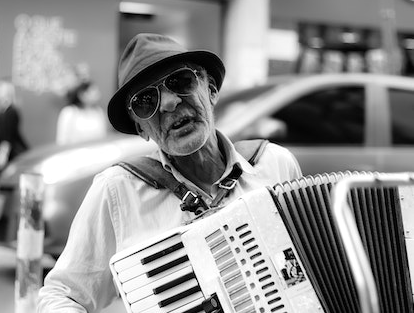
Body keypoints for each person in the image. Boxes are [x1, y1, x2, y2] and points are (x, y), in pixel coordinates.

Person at [37, 33, 302, 312]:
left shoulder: (276, 165)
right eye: (145, 101)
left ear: (210, 89)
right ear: (141, 128)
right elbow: (61, 294)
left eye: (180, 81)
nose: (168, 103)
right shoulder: (117, 191)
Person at [0, 78, 29, 183]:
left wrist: (2, 154)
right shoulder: (4, 111)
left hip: (7, 159)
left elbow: (7, 136)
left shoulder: (11, 112)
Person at [56, 80, 108, 145]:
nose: (97, 94)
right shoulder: (69, 112)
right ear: (82, 94)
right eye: (93, 91)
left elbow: (103, 136)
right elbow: (62, 141)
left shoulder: (99, 112)